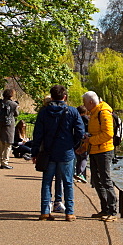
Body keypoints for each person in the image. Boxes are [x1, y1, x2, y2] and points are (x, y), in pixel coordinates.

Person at [30, 84, 85, 221]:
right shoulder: (72, 111)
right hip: (66, 152)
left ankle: (44, 211)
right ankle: (69, 212)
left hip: (48, 151)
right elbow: (80, 132)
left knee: (47, 182)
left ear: (52, 96)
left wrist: (35, 152)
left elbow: (37, 134)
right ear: (64, 97)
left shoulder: (43, 112)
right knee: (67, 182)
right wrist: (73, 145)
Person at [82, 90, 118, 221]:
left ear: (91, 102)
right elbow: (94, 132)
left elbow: (108, 134)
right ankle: (104, 208)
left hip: (104, 150)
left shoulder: (103, 112)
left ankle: (112, 211)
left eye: (85, 103)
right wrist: (85, 145)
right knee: (97, 181)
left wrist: (90, 140)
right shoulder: (94, 112)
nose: (84, 106)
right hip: (95, 150)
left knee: (105, 180)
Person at [0, 88, 18, 170]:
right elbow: (16, 114)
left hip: (0, 124)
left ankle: (1, 161)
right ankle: (5, 162)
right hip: (9, 125)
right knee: (8, 144)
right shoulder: (13, 104)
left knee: (1, 144)